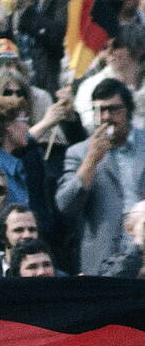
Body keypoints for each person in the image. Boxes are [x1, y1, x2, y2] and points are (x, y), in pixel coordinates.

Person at [57, 79, 145, 275]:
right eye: (100, 111)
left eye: (114, 109)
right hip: (104, 261)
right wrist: (91, 161)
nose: (106, 117)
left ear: (128, 110)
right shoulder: (78, 153)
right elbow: (66, 206)